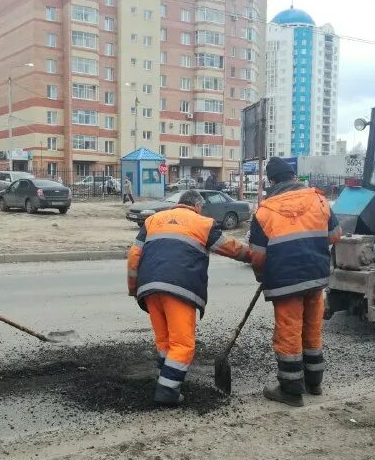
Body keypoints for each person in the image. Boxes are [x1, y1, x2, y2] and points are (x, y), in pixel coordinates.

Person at [127, 190, 251, 406]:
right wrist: (255, 257)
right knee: (183, 343)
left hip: (149, 288)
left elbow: (134, 255)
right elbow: (229, 247)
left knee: (165, 340)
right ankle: (167, 390)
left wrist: (134, 288)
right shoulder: (203, 223)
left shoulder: (152, 220)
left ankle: (165, 377)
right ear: (197, 206)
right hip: (179, 287)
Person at [248, 157, 342, 407]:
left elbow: (257, 256)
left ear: (272, 181)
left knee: (289, 332)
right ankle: (314, 382)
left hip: (285, 281)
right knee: (312, 328)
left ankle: (290, 390)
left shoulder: (265, 211)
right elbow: (335, 236)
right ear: (293, 176)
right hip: (316, 276)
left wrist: (262, 275)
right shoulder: (319, 199)